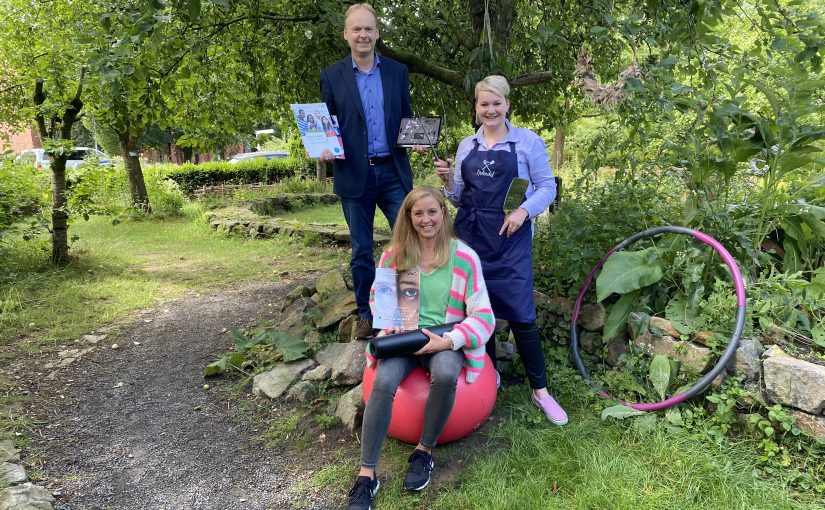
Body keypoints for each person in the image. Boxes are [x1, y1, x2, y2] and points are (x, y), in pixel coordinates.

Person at [347, 185, 495, 510]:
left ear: (444, 213)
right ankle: (366, 475)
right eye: (418, 213)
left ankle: (424, 452)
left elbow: (484, 317)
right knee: (384, 382)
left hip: (445, 338)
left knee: (444, 372)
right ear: (409, 217)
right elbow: (379, 303)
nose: (426, 219)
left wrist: (449, 340)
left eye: (432, 211)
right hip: (407, 339)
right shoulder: (396, 255)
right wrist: (392, 322)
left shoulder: (464, 257)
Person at [433, 75, 567, 426]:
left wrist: (524, 211)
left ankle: (541, 392)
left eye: (496, 103)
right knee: (478, 312)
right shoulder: (466, 146)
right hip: (471, 238)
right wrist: (447, 180)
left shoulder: (527, 142)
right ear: (476, 108)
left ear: (507, 105)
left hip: (510, 238)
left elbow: (547, 186)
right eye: (483, 104)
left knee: (522, 314)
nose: (490, 110)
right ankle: (489, 379)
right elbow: (459, 197)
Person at [320, 3, 424, 341]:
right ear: (346, 35)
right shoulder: (331, 76)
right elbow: (327, 125)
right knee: (361, 250)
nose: (363, 35)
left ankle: (407, 314)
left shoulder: (397, 72)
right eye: (357, 29)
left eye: (369, 29)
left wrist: (417, 140)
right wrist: (323, 147)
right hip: (354, 174)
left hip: (393, 172)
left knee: (407, 244)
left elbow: (407, 117)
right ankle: (368, 316)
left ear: (377, 33)